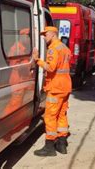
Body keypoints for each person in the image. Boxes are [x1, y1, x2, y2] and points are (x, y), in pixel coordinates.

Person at [32, 26, 72, 157]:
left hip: (56, 88)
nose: (44, 37)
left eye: (46, 34)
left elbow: (50, 67)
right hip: (65, 86)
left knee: (50, 116)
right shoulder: (64, 48)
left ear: (53, 34)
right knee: (61, 115)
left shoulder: (53, 49)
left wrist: (37, 60)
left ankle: (49, 147)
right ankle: (61, 144)